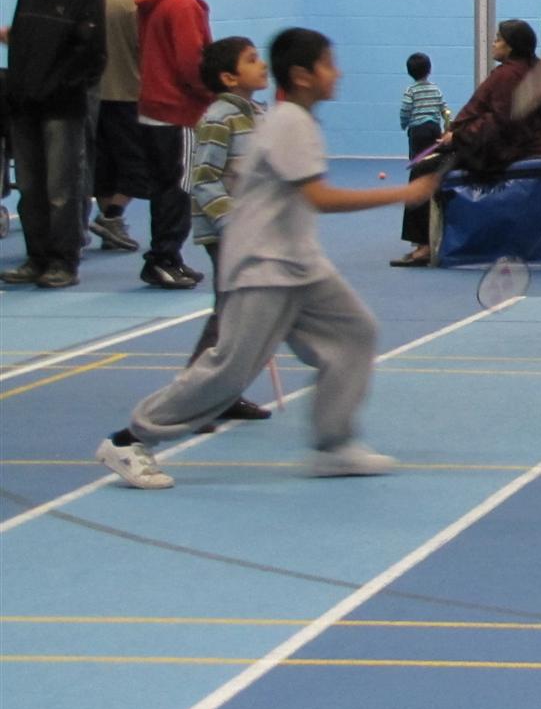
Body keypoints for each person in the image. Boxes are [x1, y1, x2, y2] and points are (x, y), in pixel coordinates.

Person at [93, 28, 441, 489]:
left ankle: (333, 447)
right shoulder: (289, 122)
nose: (336, 73)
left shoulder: (291, 121)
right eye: (328, 64)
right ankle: (128, 440)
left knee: (355, 334)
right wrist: (406, 192)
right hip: (263, 264)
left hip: (299, 263)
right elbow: (318, 197)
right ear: (302, 74)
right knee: (229, 370)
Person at [395, 20, 541, 266]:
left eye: (498, 39)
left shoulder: (507, 76)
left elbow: (499, 121)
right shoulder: (532, 70)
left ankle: (423, 246)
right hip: (519, 145)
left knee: (424, 169)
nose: (494, 43)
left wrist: (457, 137)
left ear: (510, 47)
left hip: (504, 150)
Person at [2, 0, 105, 288]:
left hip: (63, 108)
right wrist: (16, 88)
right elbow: (20, 43)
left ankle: (64, 262)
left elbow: (93, 55)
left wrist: (61, 86)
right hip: (25, 107)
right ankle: (37, 257)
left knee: (62, 189)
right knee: (30, 188)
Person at [183, 36, 275, 423]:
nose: (262, 65)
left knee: (244, 317)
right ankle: (191, 398)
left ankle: (224, 393)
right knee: (229, 314)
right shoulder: (220, 118)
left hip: (255, 230)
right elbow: (203, 179)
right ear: (229, 77)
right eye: (252, 60)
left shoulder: (257, 114)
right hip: (227, 235)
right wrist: (231, 222)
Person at [134, 0, 211, 290]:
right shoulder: (182, 4)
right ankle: (163, 258)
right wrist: (214, 94)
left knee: (165, 186)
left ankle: (169, 257)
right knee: (177, 189)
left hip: (152, 106)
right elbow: (191, 63)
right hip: (177, 111)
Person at [88, 0, 145, 254]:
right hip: (127, 93)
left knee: (103, 164)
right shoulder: (133, 3)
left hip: (94, 96)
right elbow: (144, 46)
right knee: (136, 164)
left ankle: (110, 221)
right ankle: (112, 215)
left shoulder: (87, 0)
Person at [399, 53, 451, 165]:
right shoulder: (435, 89)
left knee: (417, 159)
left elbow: (405, 109)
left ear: (409, 72)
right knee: (435, 157)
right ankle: (433, 178)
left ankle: (417, 179)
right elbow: (444, 108)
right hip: (434, 128)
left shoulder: (411, 90)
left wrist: (404, 123)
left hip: (418, 130)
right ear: (429, 70)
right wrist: (448, 124)